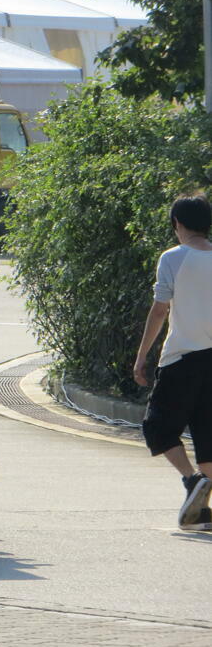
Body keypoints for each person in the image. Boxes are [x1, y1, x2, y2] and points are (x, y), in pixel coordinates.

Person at [134, 195, 212, 531]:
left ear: (177, 224)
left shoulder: (173, 258)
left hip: (182, 358)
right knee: (208, 437)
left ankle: (189, 481)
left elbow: (160, 310)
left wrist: (141, 357)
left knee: (158, 426)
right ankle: (202, 513)